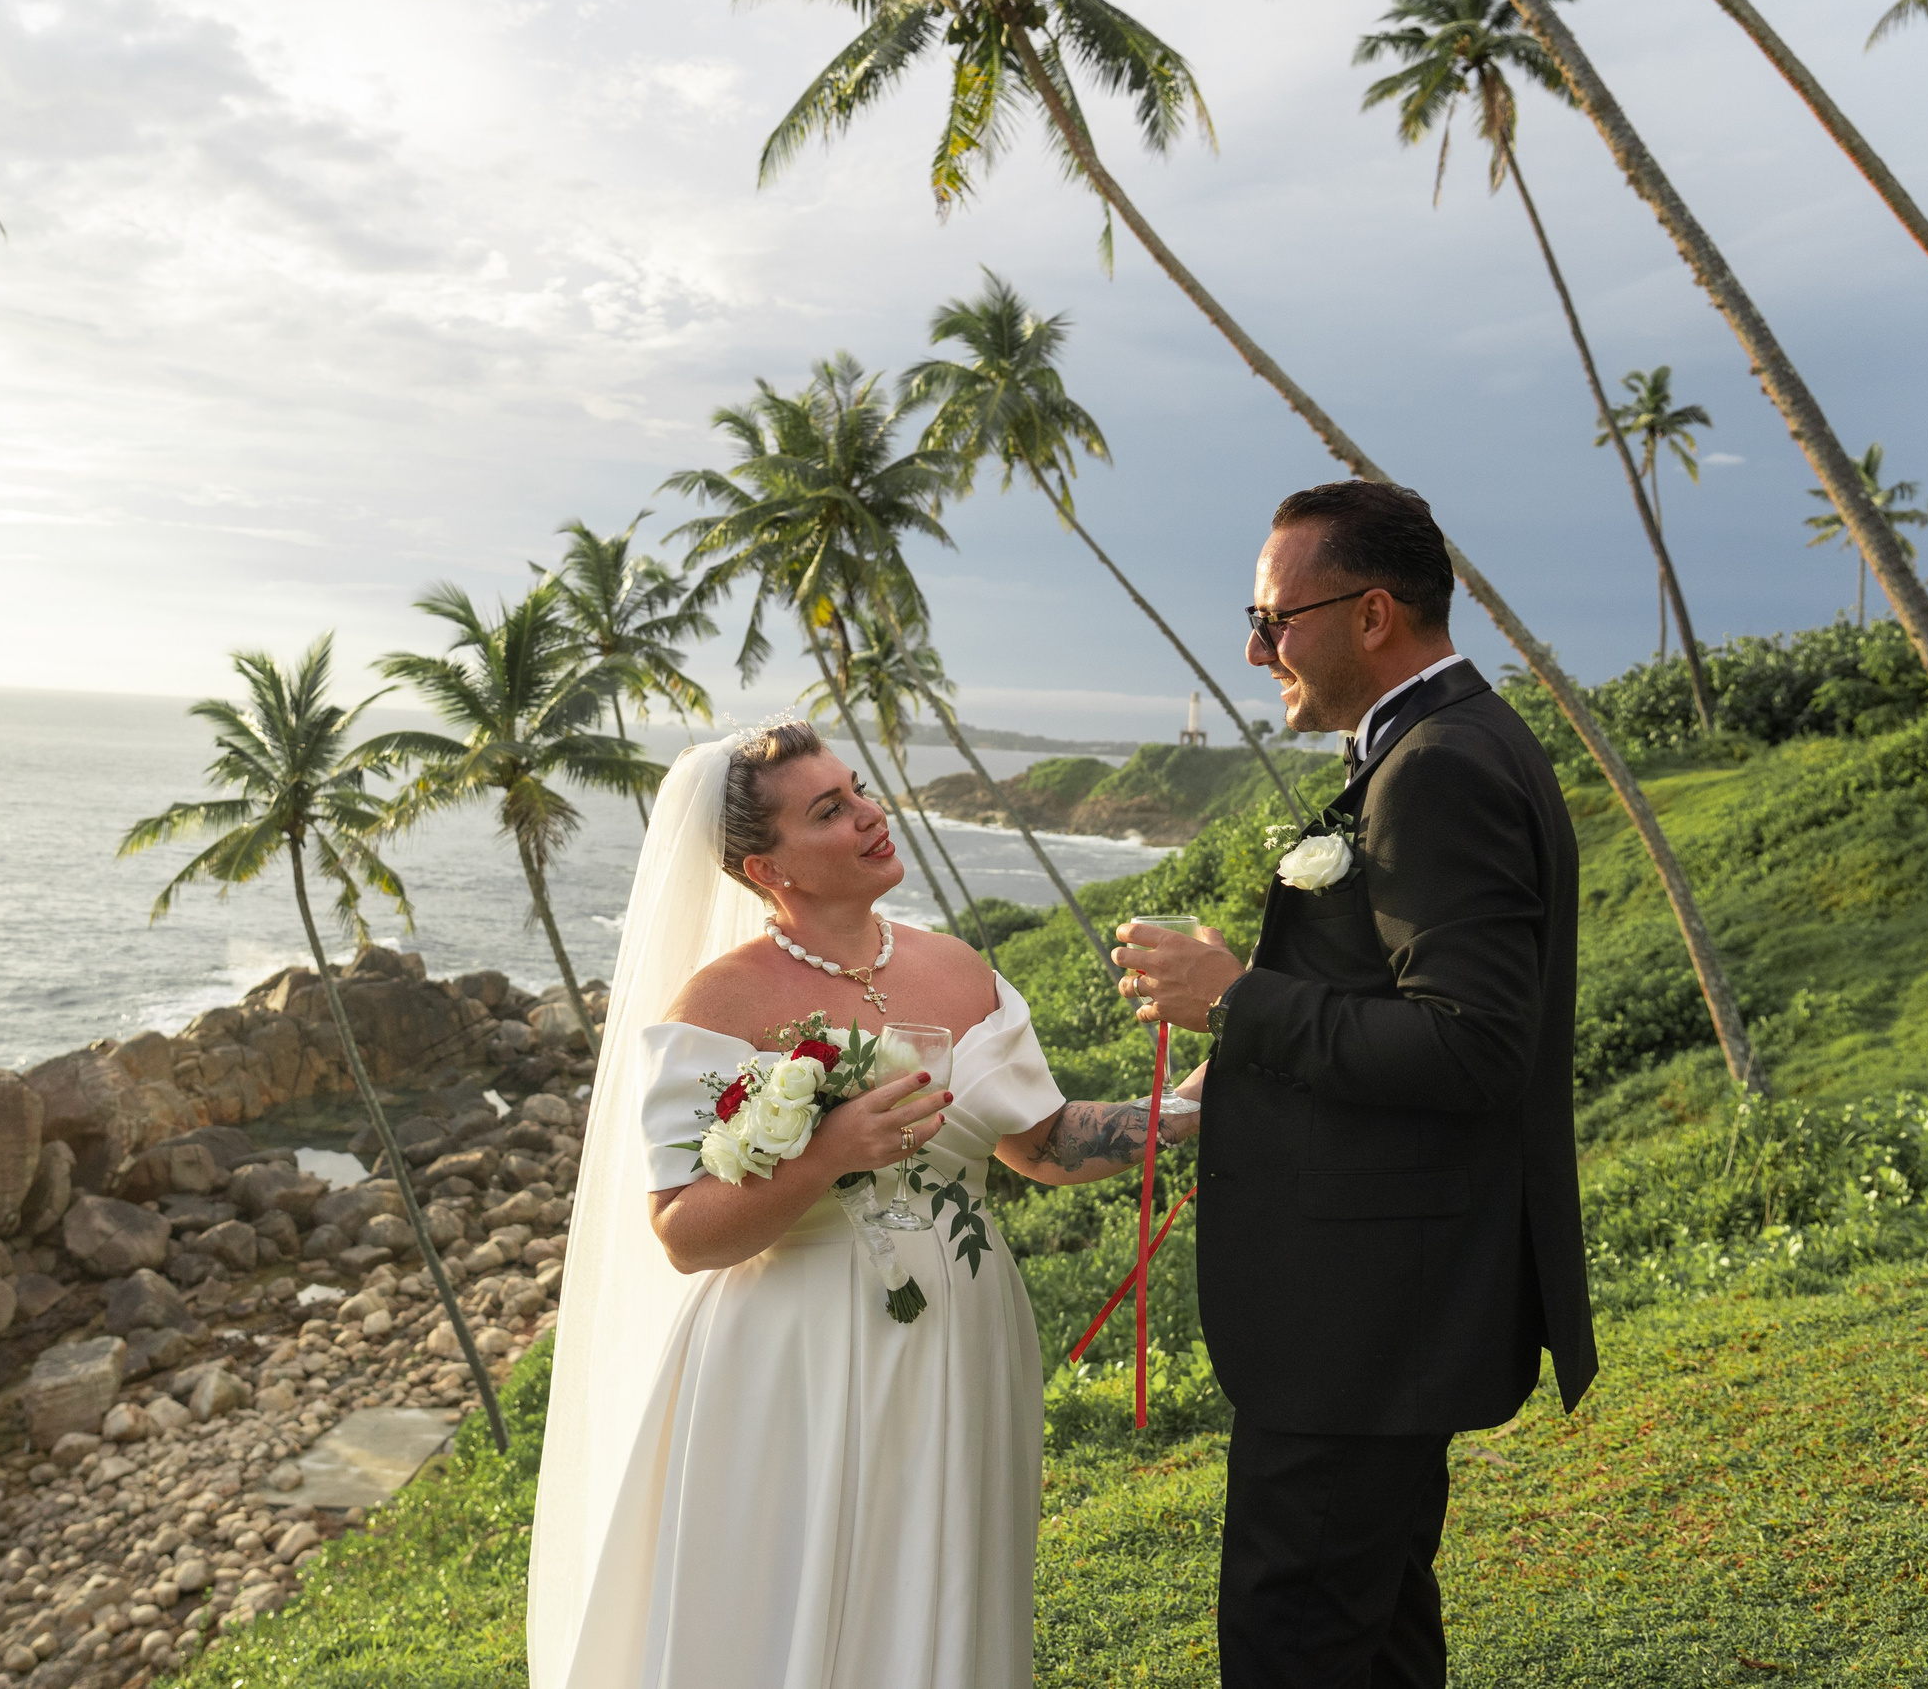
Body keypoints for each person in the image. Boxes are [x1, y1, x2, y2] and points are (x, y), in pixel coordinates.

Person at [527, 720, 1193, 1689]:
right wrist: (828, 1154)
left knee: (935, 1599)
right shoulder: (719, 1005)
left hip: (959, 1340)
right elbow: (680, 1229)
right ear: (767, 868)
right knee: (793, 1614)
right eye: (829, 810)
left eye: (860, 790)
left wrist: (1187, 1110)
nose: (871, 816)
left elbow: (1043, 1142)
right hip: (790, 1359)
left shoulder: (960, 971)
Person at [1114, 479, 1599, 1689]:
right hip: (1379, 1306)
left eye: (1274, 617)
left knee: (1295, 1645)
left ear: (1372, 613)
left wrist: (1236, 997)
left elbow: (1472, 1045)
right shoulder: (1446, 742)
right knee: (1373, 1639)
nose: (1253, 645)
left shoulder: (1435, 768)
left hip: (1359, 1316)